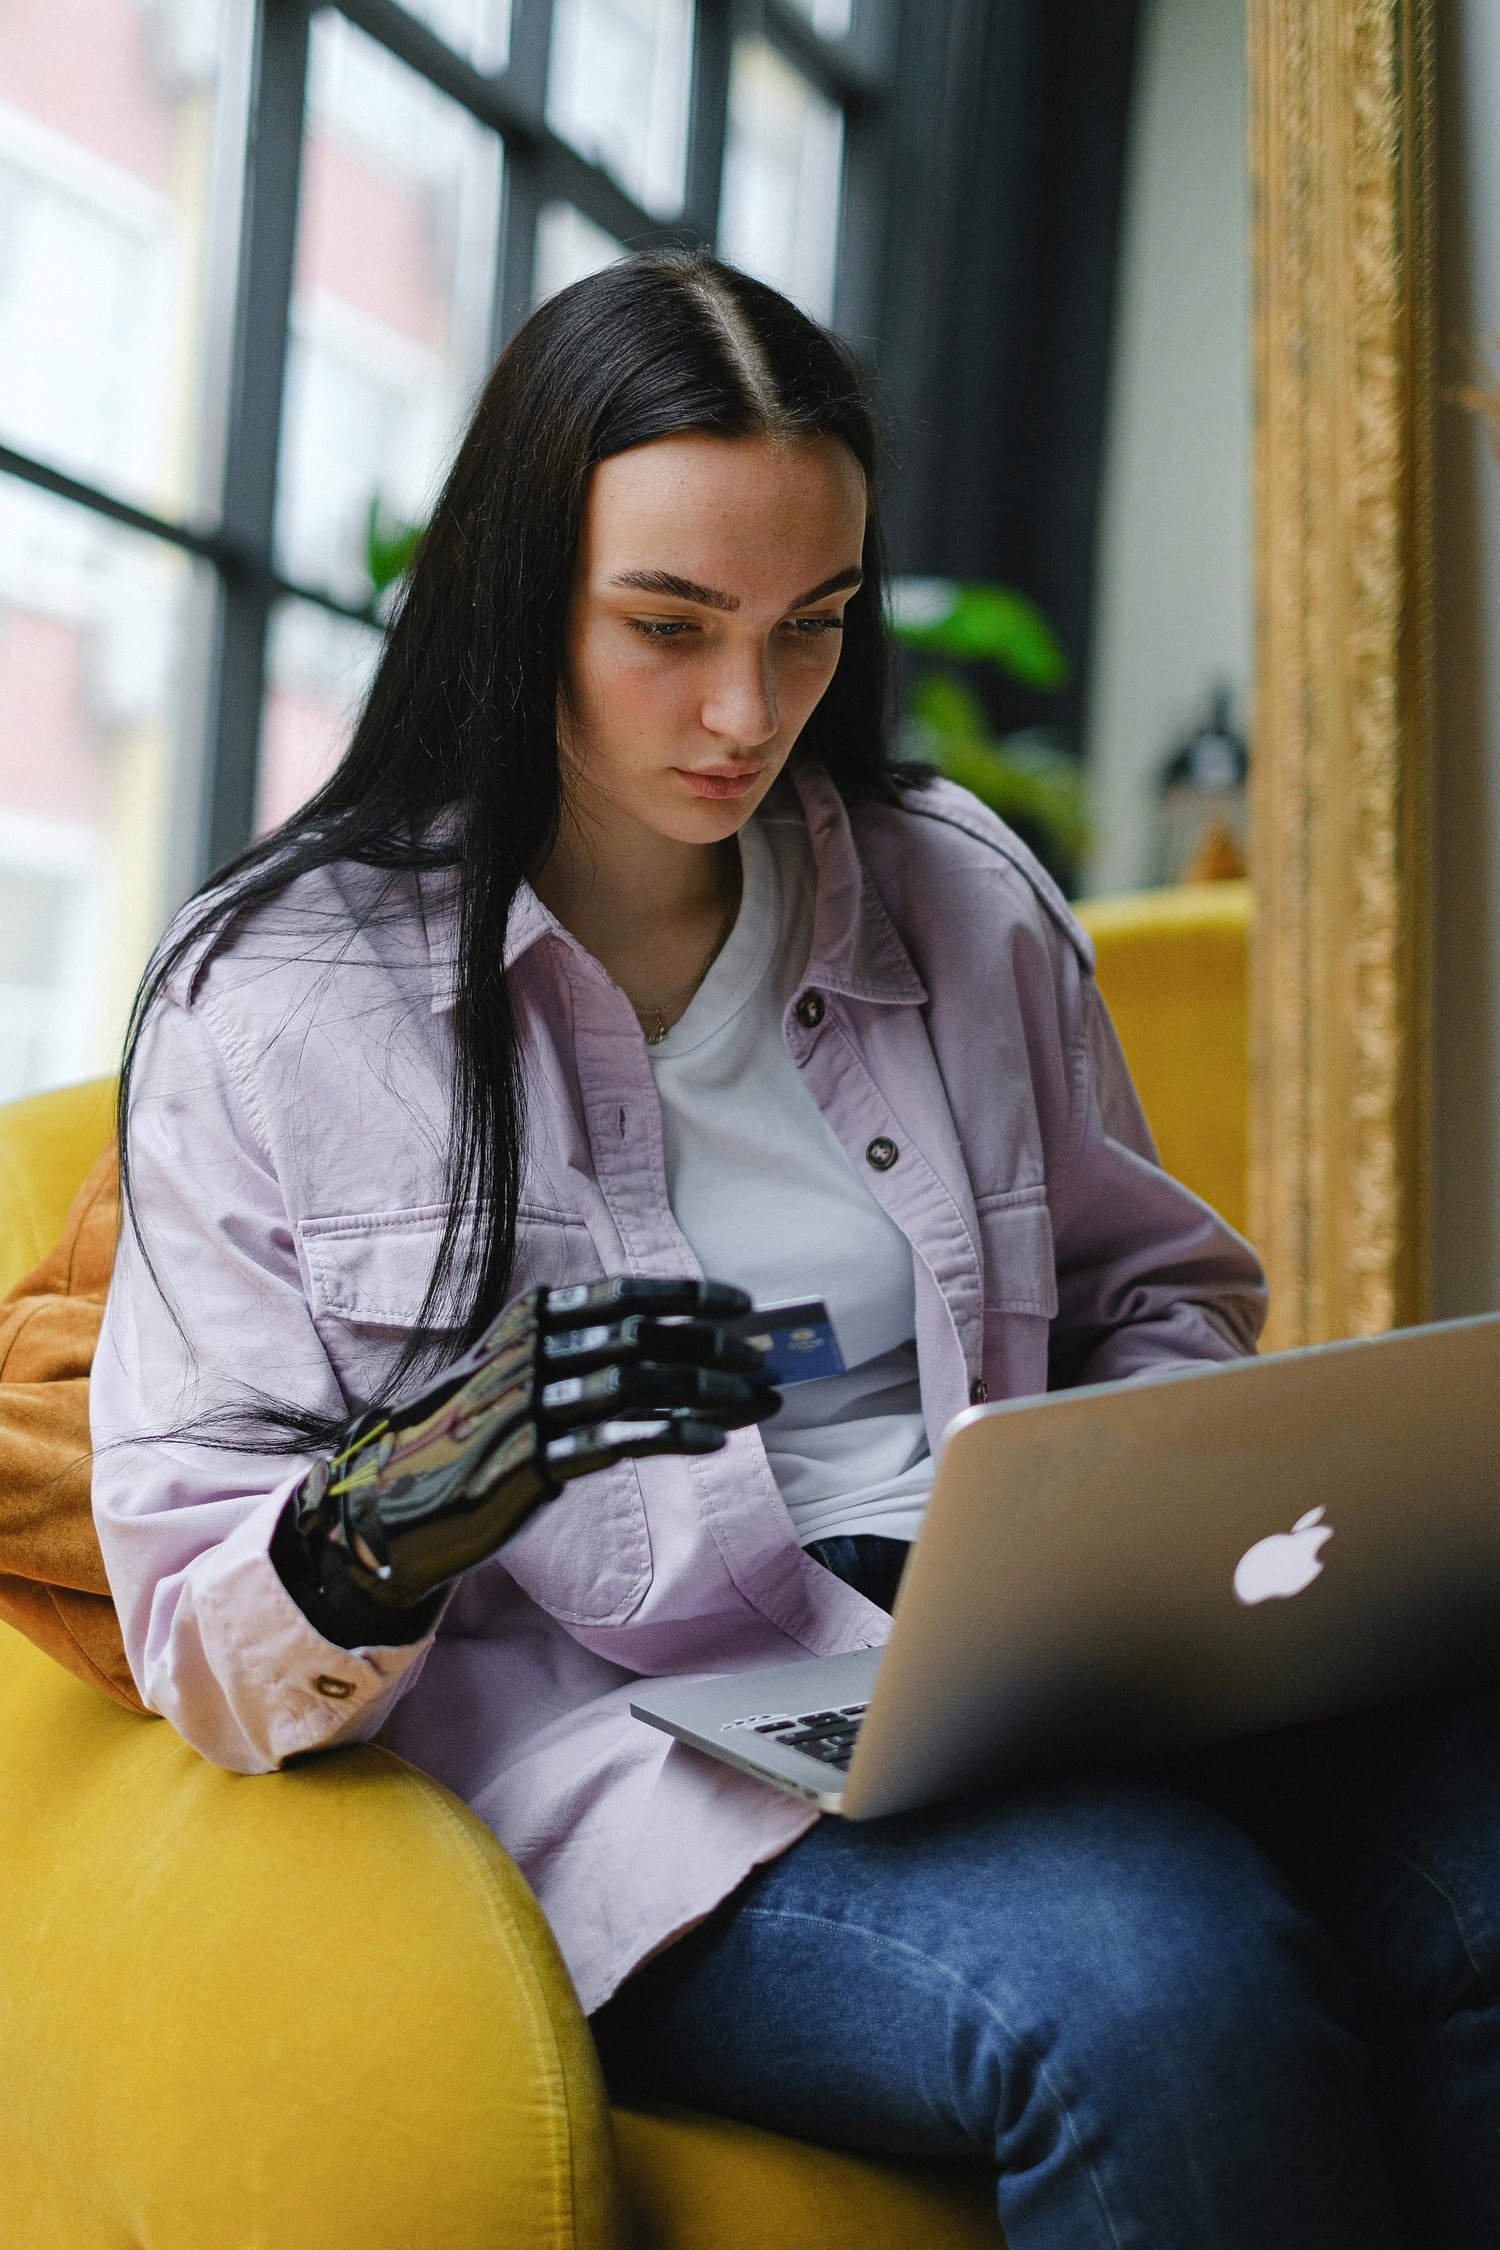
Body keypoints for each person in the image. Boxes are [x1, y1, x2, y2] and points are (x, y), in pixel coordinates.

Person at [90, 251, 1499, 2249]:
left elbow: (1156, 1296)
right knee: (1156, 1983)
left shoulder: (956, 899)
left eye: (810, 628)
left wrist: (1131, 1553)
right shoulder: (276, 1002)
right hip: (656, 1770)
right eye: (667, 628)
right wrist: (387, 1520)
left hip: (1019, 1667)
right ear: (518, 593)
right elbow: (197, 1628)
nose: (746, 713)